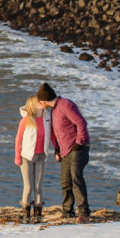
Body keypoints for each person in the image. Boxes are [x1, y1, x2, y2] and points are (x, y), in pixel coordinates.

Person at [37, 82, 91, 222]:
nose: (40, 103)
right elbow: (57, 132)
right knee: (65, 182)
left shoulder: (66, 105)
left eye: (41, 100)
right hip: (65, 151)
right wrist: (57, 149)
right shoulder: (53, 110)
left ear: (45, 98)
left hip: (77, 149)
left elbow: (81, 123)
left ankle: (83, 213)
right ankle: (68, 211)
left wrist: (79, 143)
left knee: (76, 179)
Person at [14, 95, 55, 223]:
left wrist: (57, 149)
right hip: (26, 156)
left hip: (41, 156)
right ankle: (26, 215)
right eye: (38, 101)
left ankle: (38, 215)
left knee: (38, 187)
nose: (42, 102)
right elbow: (18, 139)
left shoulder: (47, 118)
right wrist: (17, 157)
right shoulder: (26, 120)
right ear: (32, 104)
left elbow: (52, 135)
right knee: (29, 187)